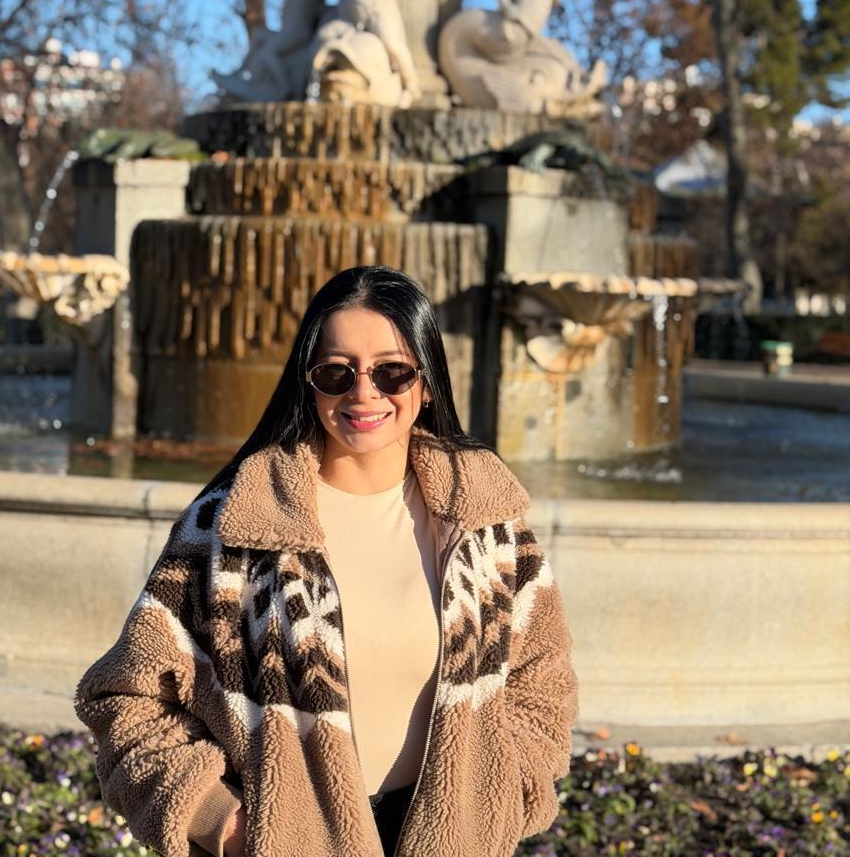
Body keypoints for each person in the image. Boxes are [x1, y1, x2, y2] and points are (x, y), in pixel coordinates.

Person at [74, 265, 577, 857]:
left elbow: (543, 684)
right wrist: (228, 828)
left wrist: (501, 800)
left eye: (392, 371)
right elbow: (127, 699)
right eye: (336, 372)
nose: (364, 393)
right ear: (308, 383)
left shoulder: (487, 521)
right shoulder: (232, 527)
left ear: (427, 382)